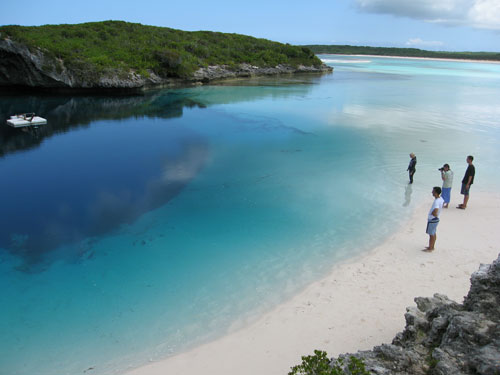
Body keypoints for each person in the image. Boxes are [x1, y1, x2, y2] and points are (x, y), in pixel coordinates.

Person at [424, 186, 444, 251]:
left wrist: (434, 214)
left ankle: (430, 248)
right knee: (433, 233)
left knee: (431, 234)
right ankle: (432, 246)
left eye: (433, 191)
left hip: (433, 219)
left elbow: (435, 210)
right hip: (436, 219)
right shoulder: (441, 199)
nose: (432, 192)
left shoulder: (436, 202)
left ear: (435, 193)